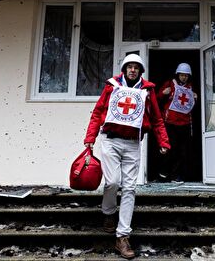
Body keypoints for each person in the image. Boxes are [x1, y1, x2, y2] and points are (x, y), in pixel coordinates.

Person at [84, 54, 170, 259]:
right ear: (124, 70)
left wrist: (163, 141)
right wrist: (90, 137)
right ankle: (108, 214)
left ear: (140, 71)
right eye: (129, 67)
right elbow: (97, 113)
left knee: (130, 187)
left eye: (136, 67)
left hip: (132, 143)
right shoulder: (112, 86)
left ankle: (122, 236)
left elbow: (157, 119)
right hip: (110, 140)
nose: (133, 70)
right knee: (112, 182)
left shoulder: (147, 90)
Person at [157, 62, 197, 183]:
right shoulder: (170, 84)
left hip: (184, 124)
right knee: (168, 149)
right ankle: (162, 174)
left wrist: (195, 97)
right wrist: (163, 93)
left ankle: (176, 176)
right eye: (182, 75)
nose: (184, 77)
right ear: (177, 75)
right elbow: (157, 98)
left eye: (186, 75)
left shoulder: (190, 88)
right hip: (170, 122)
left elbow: (191, 106)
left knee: (182, 151)